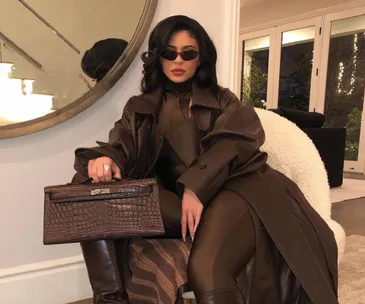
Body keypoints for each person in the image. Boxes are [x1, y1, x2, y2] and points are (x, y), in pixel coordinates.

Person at [72, 15, 338, 304]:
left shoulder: (224, 100)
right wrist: (106, 159)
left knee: (207, 269)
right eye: (169, 52)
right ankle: (111, 299)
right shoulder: (139, 108)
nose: (178, 60)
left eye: (188, 53)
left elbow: (234, 142)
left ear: (200, 59)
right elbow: (121, 143)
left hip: (238, 190)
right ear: (157, 57)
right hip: (181, 200)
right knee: (90, 192)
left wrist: (196, 186)